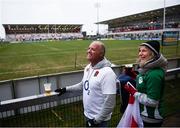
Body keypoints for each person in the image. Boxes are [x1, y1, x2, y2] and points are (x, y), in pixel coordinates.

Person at [55, 41, 117, 127]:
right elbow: (83, 85)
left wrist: (96, 121)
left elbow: (110, 103)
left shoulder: (108, 73)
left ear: (101, 54)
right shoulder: (88, 67)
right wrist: (66, 89)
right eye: (89, 48)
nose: (88, 51)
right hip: (88, 116)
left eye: (93, 49)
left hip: (99, 121)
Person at [124, 40, 168, 127]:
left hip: (150, 119)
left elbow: (152, 101)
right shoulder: (148, 69)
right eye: (139, 51)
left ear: (153, 53)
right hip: (143, 115)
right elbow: (145, 83)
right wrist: (133, 75)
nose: (140, 53)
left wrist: (134, 92)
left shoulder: (154, 74)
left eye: (144, 51)